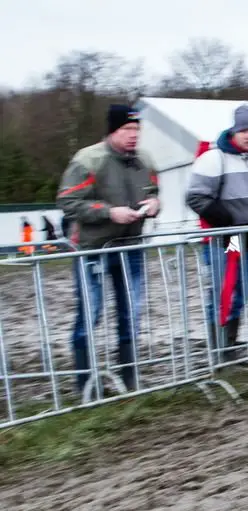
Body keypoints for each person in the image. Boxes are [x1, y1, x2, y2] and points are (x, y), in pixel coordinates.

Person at [56, 103, 160, 394]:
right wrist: (108, 212)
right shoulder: (88, 159)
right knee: (91, 313)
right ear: (112, 130)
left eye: (137, 129)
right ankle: (85, 384)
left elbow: (153, 191)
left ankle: (130, 377)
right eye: (127, 129)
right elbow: (67, 202)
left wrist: (154, 204)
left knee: (132, 311)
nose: (133, 135)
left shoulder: (145, 159)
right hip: (93, 250)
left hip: (131, 247)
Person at [185, 105, 248, 359]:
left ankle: (229, 344)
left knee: (241, 291)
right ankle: (219, 349)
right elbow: (195, 197)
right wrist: (225, 218)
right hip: (226, 239)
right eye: (244, 130)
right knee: (224, 291)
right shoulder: (214, 158)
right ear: (234, 131)